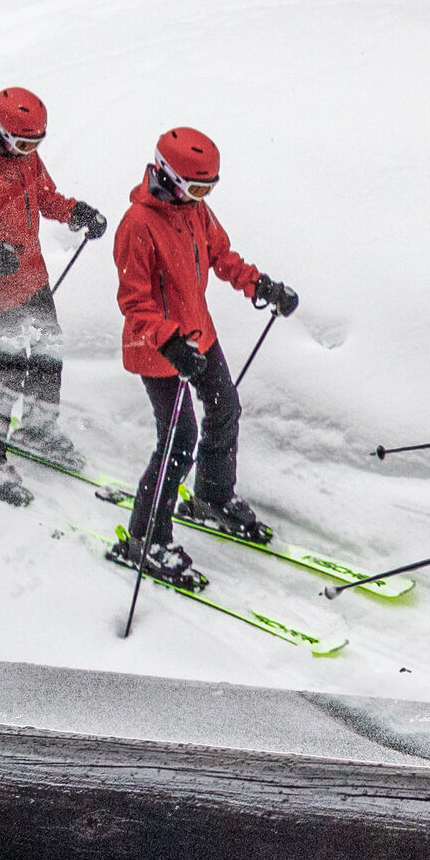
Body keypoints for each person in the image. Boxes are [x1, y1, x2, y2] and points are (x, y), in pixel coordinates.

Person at [107, 127, 297, 587]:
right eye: (195, 187)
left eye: (208, 188)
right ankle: (145, 538)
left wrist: (259, 284)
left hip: (199, 334)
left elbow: (221, 256)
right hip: (156, 349)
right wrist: (169, 342)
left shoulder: (196, 212)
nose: (201, 196)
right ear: (167, 177)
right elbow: (134, 302)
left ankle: (212, 495)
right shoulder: (137, 224)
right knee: (177, 440)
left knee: (225, 407)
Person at [0, 88, 108, 506]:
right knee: (11, 366)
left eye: (36, 144)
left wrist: (74, 211)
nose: (29, 152)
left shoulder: (27, 161)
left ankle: (38, 428)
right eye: (22, 143)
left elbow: (45, 196)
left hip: (31, 275)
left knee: (48, 351)